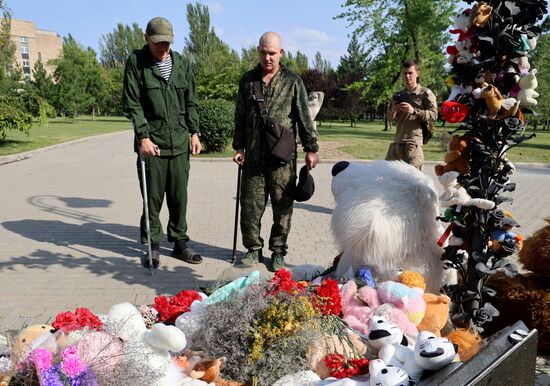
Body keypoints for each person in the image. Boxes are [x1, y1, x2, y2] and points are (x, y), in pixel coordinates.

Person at [232, 31, 319, 271]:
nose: (267, 57)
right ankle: (253, 249)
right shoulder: (247, 80)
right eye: (263, 52)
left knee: (282, 206)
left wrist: (311, 148)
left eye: (272, 53)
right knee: (250, 205)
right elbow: (240, 116)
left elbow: (303, 116)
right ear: (258, 51)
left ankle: (278, 251)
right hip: (254, 157)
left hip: (282, 158)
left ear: (281, 53)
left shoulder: (293, 81)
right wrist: (239, 146)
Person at [123, 16, 203, 268]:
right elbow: (132, 103)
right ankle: (153, 246)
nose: (164, 48)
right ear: (146, 39)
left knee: (179, 197)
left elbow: (191, 101)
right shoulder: (136, 63)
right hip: (152, 144)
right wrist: (143, 137)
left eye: (167, 43)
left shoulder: (182, 64)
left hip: (179, 142)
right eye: (158, 43)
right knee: (153, 198)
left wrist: (194, 132)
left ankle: (180, 244)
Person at [385, 59, 437, 170]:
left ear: (417, 73)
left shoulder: (425, 93)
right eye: (405, 73)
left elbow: (434, 115)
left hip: (413, 145)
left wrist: (414, 111)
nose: (407, 76)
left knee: (415, 181)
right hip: (397, 144)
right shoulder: (398, 95)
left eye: (410, 73)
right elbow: (389, 119)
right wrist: (394, 110)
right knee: (388, 178)